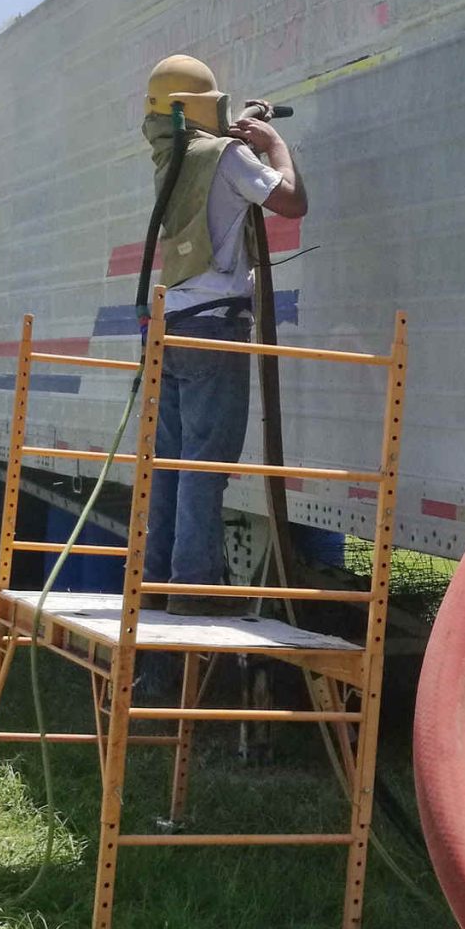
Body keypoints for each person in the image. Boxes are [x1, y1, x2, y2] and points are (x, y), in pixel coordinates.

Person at [137, 55, 307, 610]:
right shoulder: (224, 156)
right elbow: (290, 200)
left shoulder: (174, 156)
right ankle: (194, 587)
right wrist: (273, 143)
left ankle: (157, 581)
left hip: (169, 330)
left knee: (169, 465)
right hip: (213, 331)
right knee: (205, 465)